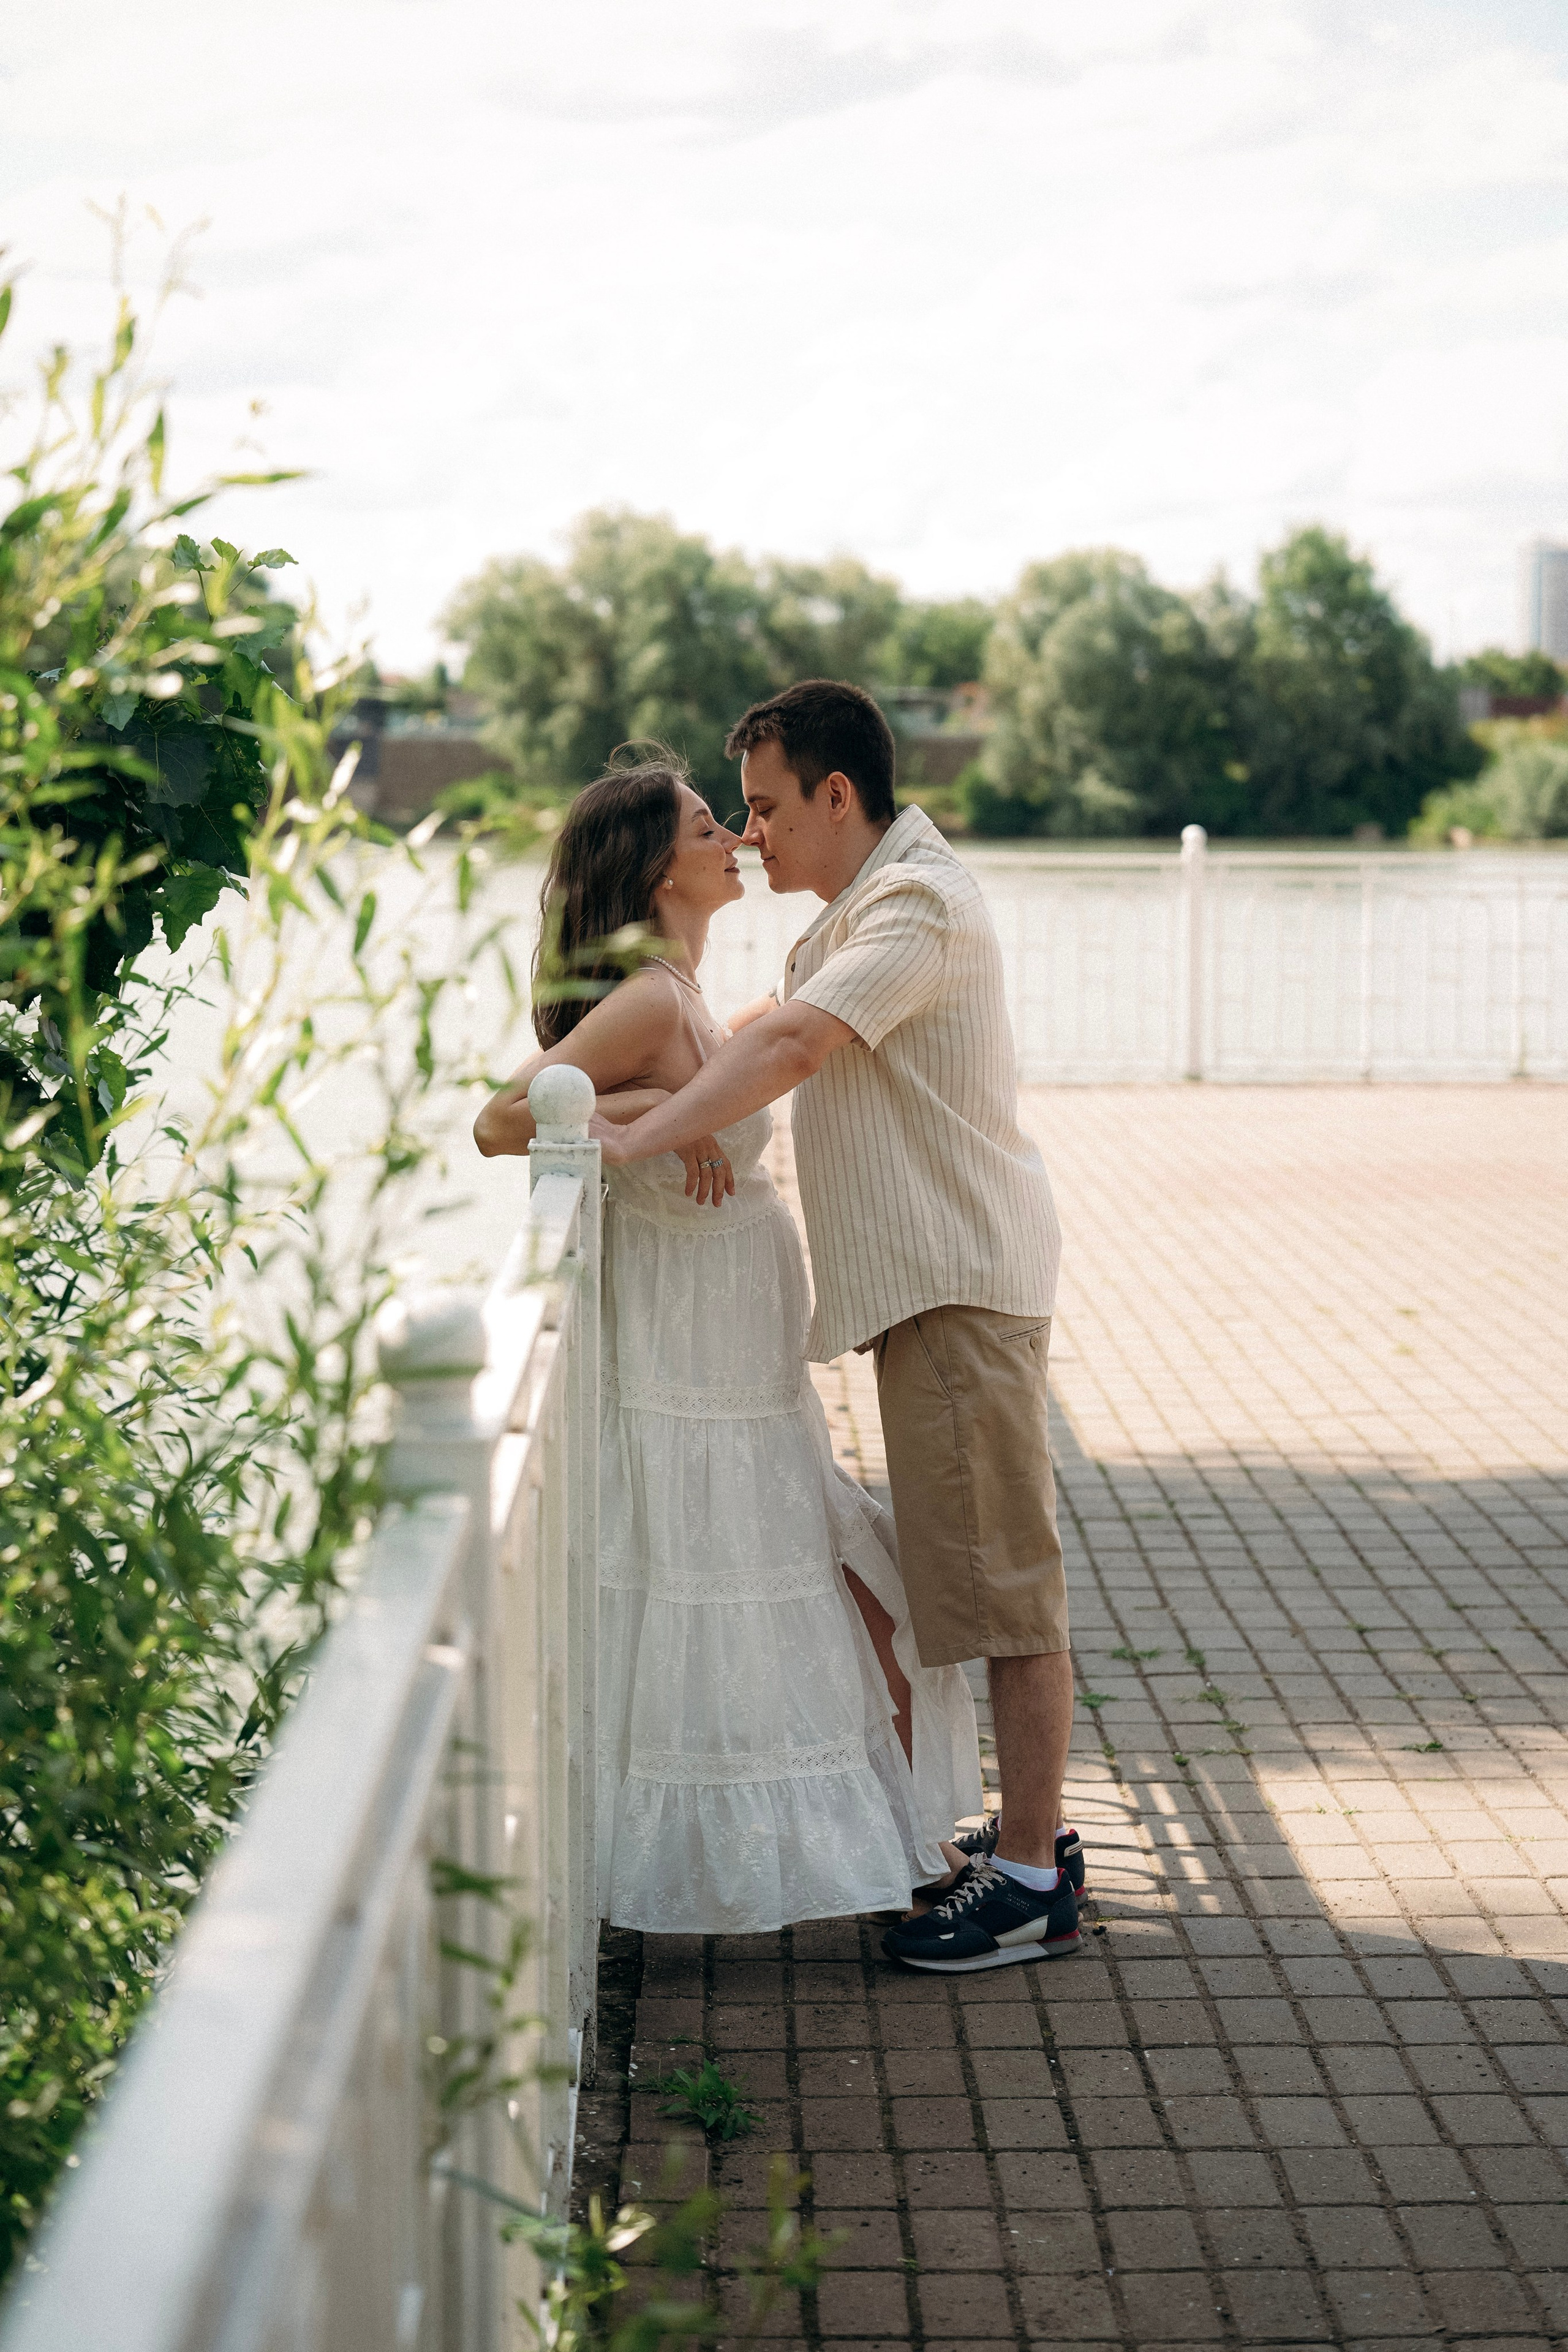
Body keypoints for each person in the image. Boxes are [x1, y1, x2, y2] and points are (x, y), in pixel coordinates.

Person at [589, 683, 1082, 1973]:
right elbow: (754, 1029)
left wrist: (642, 1130)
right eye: (731, 816)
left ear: (836, 797)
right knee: (960, 1571)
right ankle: (1021, 1842)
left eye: (760, 808)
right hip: (927, 1292)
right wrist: (665, 1087)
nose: (749, 837)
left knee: (1004, 1587)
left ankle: (1026, 1874)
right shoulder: (854, 915)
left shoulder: (914, 906)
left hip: (953, 1288)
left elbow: (799, 1041)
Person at [475, 754, 982, 1936]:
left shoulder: (689, 995)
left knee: (848, 1590)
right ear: (660, 867)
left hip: (741, 1364)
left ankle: (894, 1845)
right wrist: (646, 1117)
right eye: (714, 825)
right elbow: (505, 1119)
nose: (738, 839)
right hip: (690, 1368)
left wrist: (660, 1113)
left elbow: (768, 1046)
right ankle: (890, 1861)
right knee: (810, 1596)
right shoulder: (651, 1000)